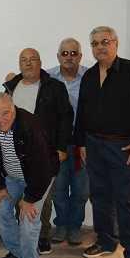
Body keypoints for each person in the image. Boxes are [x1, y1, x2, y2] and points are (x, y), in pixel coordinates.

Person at [75, 26, 130, 258]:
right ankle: (106, 241)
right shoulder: (89, 76)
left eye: (105, 41)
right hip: (94, 145)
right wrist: (82, 143)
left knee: (127, 200)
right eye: (95, 43)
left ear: (115, 43)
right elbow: (82, 113)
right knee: (99, 196)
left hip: (125, 148)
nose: (100, 47)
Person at [0, 93, 59, 258]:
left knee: (28, 218)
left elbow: (43, 168)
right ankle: (17, 252)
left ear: (13, 109)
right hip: (12, 177)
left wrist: (29, 199)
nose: (0, 120)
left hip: (39, 177)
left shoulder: (31, 126)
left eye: (5, 113)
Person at [3, 48, 73, 255]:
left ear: (40, 62)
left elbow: (66, 118)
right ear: (19, 64)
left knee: (43, 197)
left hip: (44, 152)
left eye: (33, 59)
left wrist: (61, 147)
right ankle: (23, 236)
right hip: (15, 152)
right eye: (24, 60)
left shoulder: (54, 87)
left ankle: (42, 236)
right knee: (20, 196)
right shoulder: (11, 87)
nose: (28, 63)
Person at [46, 38, 90, 246]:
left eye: (73, 53)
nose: (69, 57)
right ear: (58, 56)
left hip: (83, 143)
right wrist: (11, 79)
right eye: (65, 53)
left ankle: (75, 227)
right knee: (59, 189)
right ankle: (62, 225)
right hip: (58, 144)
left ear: (80, 56)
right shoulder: (48, 77)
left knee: (81, 190)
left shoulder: (90, 77)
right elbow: (27, 78)